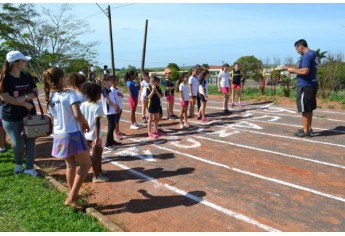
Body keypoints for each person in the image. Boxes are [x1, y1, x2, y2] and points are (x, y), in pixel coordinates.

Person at [43, 67, 91, 209]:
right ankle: (71, 197)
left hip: (59, 134)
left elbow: (53, 117)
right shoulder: (70, 94)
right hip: (72, 134)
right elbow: (77, 114)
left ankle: (73, 195)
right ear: (62, 79)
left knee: (70, 165)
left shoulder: (50, 96)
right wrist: (86, 123)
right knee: (86, 164)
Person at [0, 51, 38, 176]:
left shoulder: (27, 75)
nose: (26, 63)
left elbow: (35, 91)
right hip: (11, 116)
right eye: (23, 60)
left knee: (31, 141)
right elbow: (5, 97)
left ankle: (29, 168)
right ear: (15, 63)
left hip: (29, 115)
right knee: (18, 143)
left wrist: (26, 96)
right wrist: (24, 103)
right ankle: (18, 164)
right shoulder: (4, 77)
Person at [285, 39, 318, 137]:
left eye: (297, 49)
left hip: (305, 85)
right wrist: (293, 68)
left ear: (301, 47)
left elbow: (305, 71)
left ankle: (305, 131)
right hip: (311, 84)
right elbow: (305, 68)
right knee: (309, 108)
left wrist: (292, 70)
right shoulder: (313, 54)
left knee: (305, 109)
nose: (297, 51)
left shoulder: (306, 56)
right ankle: (307, 128)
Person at [80, 82, 109, 183]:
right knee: (96, 156)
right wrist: (97, 138)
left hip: (85, 134)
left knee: (95, 154)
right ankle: (96, 176)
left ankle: (99, 171)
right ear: (97, 94)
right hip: (94, 135)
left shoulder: (82, 105)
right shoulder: (97, 106)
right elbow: (97, 123)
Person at [101, 74, 121, 150]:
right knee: (111, 126)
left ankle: (112, 141)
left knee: (112, 126)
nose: (111, 81)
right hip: (109, 110)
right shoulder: (104, 90)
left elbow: (112, 99)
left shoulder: (108, 89)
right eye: (109, 80)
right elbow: (108, 101)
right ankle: (107, 144)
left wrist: (116, 105)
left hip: (112, 110)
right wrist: (115, 106)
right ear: (104, 81)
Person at [111, 76, 125, 140]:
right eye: (117, 80)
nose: (118, 81)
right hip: (116, 108)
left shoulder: (118, 88)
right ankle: (116, 133)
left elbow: (122, 96)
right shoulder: (111, 89)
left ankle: (118, 131)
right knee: (115, 121)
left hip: (120, 106)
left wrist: (121, 94)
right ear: (113, 81)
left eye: (118, 80)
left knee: (117, 120)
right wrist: (117, 106)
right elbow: (112, 99)